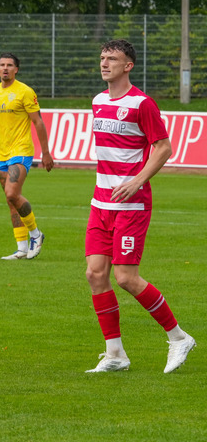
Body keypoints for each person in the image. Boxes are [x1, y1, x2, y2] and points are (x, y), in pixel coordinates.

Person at [83, 39, 196, 373]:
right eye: (102, 58)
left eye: (112, 59)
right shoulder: (98, 101)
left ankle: (178, 338)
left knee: (125, 278)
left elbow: (163, 147)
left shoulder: (142, 104)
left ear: (128, 65)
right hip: (101, 202)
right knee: (95, 274)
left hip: (132, 204)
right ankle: (115, 354)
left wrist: (137, 181)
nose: (104, 63)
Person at [0, 53, 53, 260]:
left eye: (10, 65)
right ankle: (21, 247)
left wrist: (46, 152)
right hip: (2, 154)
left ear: (16, 69)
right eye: (2, 65)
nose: (5, 68)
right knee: (10, 200)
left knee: (12, 193)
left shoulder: (25, 92)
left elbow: (38, 122)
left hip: (21, 151)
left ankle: (36, 234)